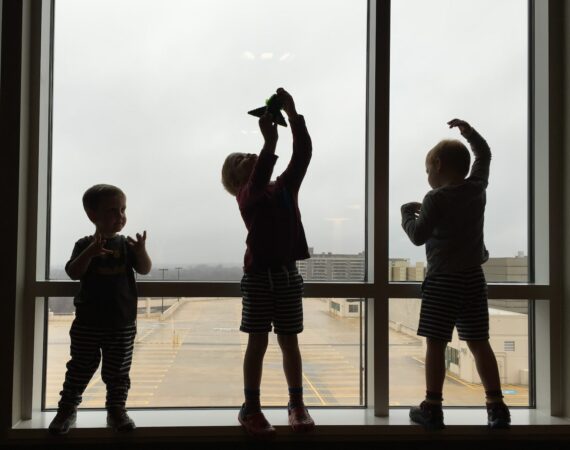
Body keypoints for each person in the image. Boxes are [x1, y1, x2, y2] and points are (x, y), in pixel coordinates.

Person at [401, 119, 511, 430]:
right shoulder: (476, 189)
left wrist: (407, 215)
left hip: (442, 281)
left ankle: (432, 407)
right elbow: (484, 155)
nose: (428, 177)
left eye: (427, 170)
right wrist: (468, 132)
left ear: (436, 164)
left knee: (436, 343)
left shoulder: (435, 198)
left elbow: (418, 236)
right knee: (479, 342)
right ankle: (496, 406)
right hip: (473, 279)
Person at [221, 88, 315, 439]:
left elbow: (303, 154)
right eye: (239, 159)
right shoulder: (247, 197)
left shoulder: (285, 187)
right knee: (257, 342)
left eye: (249, 153)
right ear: (234, 182)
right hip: (259, 278)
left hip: (287, 276)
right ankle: (251, 407)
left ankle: (296, 404)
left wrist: (294, 114)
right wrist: (269, 142)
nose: (248, 156)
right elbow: (259, 177)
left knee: (289, 342)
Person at [49, 184, 152, 434]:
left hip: (122, 323)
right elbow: (73, 272)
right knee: (80, 367)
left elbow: (145, 269)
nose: (120, 216)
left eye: (123, 210)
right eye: (112, 211)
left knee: (118, 371)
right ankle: (67, 409)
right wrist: (90, 253)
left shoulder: (127, 246)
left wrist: (142, 251)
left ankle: (116, 411)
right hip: (88, 322)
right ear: (92, 215)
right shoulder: (84, 243)